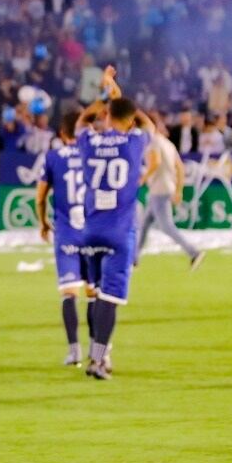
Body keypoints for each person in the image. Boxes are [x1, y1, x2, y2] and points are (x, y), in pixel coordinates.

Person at [76, 67, 153, 380]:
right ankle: (97, 360)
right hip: (120, 232)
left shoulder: (90, 141)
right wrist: (119, 98)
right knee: (110, 297)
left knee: (95, 293)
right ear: (130, 120)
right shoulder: (134, 142)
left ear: (106, 117)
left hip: (90, 230)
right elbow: (149, 126)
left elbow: (81, 122)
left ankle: (101, 354)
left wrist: (104, 97)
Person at [36, 113, 93, 367]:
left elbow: (40, 196)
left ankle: (74, 351)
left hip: (67, 233)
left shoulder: (53, 157)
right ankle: (98, 350)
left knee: (69, 292)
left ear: (62, 133)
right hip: (93, 232)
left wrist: (43, 222)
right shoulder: (93, 154)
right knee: (94, 293)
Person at [137, 128, 205, 269]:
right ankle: (134, 258)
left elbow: (155, 162)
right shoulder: (168, 144)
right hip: (166, 187)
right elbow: (180, 167)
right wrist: (179, 189)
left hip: (159, 188)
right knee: (144, 224)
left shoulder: (154, 143)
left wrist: (143, 178)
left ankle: (193, 252)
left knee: (166, 226)